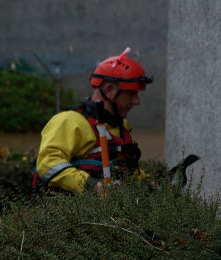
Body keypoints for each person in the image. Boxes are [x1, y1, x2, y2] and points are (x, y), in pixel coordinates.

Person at [35, 48, 152, 193]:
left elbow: (125, 169)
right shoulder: (70, 121)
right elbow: (48, 164)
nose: (136, 101)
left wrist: (147, 183)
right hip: (73, 212)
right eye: (131, 94)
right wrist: (91, 185)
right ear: (109, 90)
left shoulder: (120, 127)